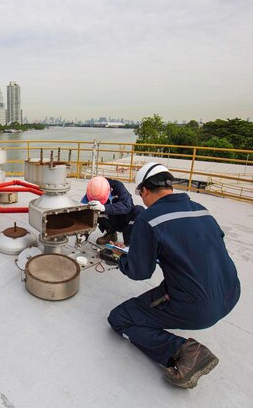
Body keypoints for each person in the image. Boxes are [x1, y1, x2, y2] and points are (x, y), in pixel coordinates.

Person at [107, 162, 241, 389]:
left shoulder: (149, 218)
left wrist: (121, 259)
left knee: (120, 318)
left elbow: (140, 272)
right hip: (231, 292)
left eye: (141, 194)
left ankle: (185, 353)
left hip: (198, 306)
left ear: (145, 190)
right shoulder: (201, 209)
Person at [83, 176, 144, 245]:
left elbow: (127, 206)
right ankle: (111, 234)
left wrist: (103, 207)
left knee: (139, 210)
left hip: (124, 218)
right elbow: (84, 214)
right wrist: (84, 235)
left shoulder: (118, 186)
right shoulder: (92, 190)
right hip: (111, 220)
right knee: (95, 211)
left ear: (110, 189)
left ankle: (129, 244)